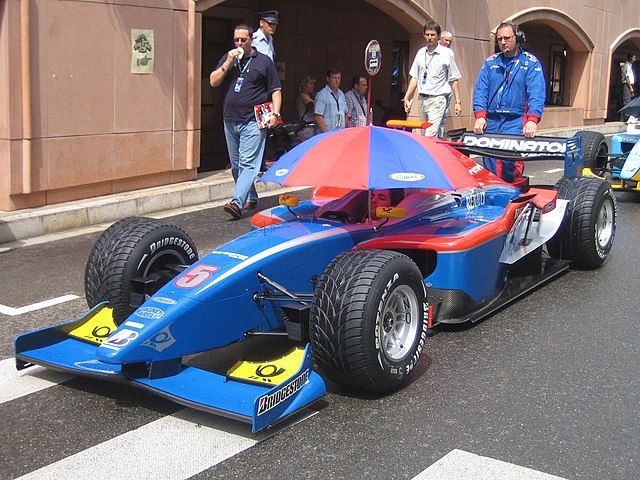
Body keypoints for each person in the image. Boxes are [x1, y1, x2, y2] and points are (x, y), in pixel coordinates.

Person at [209, 24, 282, 219]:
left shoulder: (264, 62)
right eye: (236, 40)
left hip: (252, 121)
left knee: (248, 163)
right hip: (230, 120)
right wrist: (228, 63)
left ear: (251, 40)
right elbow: (213, 81)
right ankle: (251, 196)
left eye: (243, 39)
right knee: (236, 165)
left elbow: (276, 90)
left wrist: (275, 114)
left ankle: (237, 202)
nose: (240, 43)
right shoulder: (230, 59)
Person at [472, 21, 546, 183]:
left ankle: (512, 197)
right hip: (491, 120)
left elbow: (537, 93)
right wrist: (480, 115)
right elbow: (480, 91)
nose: (503, 42)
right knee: (490, 161)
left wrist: (532, 120)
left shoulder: (530, 63)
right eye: (499, 39)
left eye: (507, 38)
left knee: (510, 163)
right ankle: (493, 195)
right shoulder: (490, 63)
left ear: (518, 38)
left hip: (516, 121)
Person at [402, 21, 462, 137]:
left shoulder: (446, 53)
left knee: (430, 135)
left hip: (437, 99)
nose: (429, 38)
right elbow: (415, 77)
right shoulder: (420, 53)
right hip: (422, 99)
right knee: (424, 134)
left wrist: (458, 102)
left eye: (432, 35)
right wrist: (406, 97)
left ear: (438, 36)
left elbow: (454, 78)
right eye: (427, 34)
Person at [314, 68, 349, 133]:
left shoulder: (341, 94)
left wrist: (346, 130)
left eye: (339, 78)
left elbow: (346, 113)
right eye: (334, 78)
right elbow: (318, 117)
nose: (337, 80)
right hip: (327, 134)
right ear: (328, 79)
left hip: (340, 133)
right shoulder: (322, 95)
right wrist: (327, 133)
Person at [437, 31, 456, 138]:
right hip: (434, 91)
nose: (448, 43)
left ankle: (439, 138)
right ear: (440, 39)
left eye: (450, 41)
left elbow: (453, 75)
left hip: (447, 89)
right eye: (446, 40)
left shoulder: (450, 53)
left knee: (443, 118)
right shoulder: (432, 51)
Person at [621, 53, 637, 121]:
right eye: (634, 58)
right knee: (627, 101)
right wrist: (630, 87)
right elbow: (627, 77)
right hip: (627, 85)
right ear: (630, 58)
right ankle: (626, 117)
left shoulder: (630, 66)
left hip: (630, 85)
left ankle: (627, 116)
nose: (635, 60)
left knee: (630, 100)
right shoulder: (626, 65)